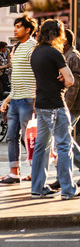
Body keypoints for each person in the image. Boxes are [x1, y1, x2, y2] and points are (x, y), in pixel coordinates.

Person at [29, 19, 79, 200]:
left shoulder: (36, 52)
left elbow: (40, 79)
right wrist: (62, 81)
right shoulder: (54, 53)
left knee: (41, 148)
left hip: (41, 104)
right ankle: (68, 190)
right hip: (56, 105)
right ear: (57, 33)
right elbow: (70, 79)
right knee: (64, 146)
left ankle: (38, 188)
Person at [48, 29, 80, 193]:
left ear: (65, 40)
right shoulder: (67, 56)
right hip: (68, 105)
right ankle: (63, 177)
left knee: (61, 140)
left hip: (72, 106)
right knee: (61, 141)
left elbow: (73, 88)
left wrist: (63, 108)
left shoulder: (74, 57)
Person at [0, 16, 38, 185]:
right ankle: (14, 173)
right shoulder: (17, 47)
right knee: (11, 137)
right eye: (15, 27)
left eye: (18, 27)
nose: (15, 29)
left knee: (28, 138)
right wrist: (7, 99)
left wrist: (37, 100)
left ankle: (35, 171)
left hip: (28, 99)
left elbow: (38, 75)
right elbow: (16, 77)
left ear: (28, 30)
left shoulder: (33, 47)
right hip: (15, 99)